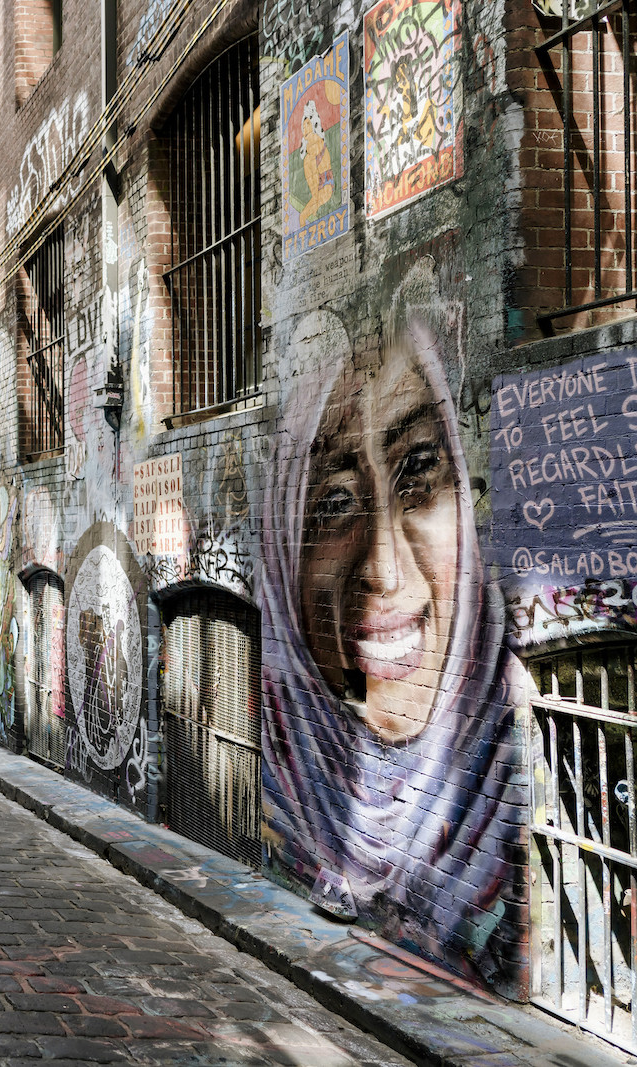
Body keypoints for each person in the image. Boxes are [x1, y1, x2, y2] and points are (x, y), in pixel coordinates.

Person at [258, 262, 524, 986]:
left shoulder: (510, 799)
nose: (384, 567)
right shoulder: (288, 796)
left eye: (420, 468)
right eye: (336, 502)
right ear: (286, 548)